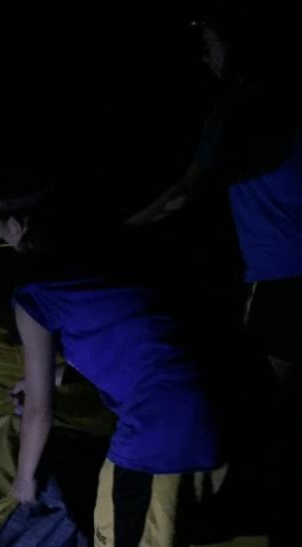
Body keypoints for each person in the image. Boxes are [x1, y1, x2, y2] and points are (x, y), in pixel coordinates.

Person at [0, 177, 270, 547]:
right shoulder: (121, 249)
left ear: (14, 224)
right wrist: (55, 378)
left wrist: (24, 481)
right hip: (237, 408)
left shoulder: (36, 293)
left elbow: (39, 413)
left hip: (160, 435)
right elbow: (141, 337)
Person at [126, 13, 300, 402]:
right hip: (287, 274)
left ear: (237, 46)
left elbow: (182, 194)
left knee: (262, 404)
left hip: (281, 279)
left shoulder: (236, 111)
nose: (205, 59)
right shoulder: (287, 99)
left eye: (209, 46)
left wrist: (119, 234)